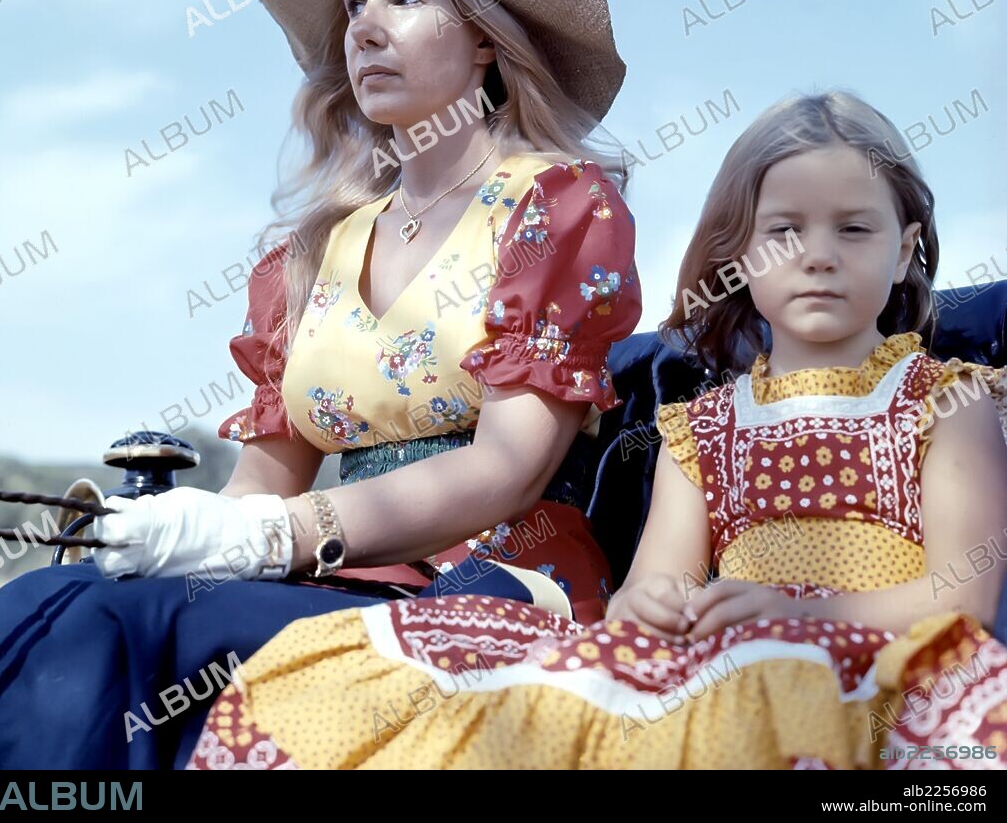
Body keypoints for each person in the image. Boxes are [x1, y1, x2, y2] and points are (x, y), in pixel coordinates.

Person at [0, 0, 642, 770]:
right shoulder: (310, 253)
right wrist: (188, 533)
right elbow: (263, 485)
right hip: (336, 571)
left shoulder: (557, 205)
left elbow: (504, 468)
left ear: (487, 37)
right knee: (45, 605)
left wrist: (276, 535)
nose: (364, 28)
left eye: (404, 0)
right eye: (352, 8)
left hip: (493, 582)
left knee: (118, 631)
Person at [187, 90, 1007, 771]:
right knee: (453, 684)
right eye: (784, 230)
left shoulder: (945, 401)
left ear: (904, 252)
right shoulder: (702, 426)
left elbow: (963, 594)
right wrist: (661, 608)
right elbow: (649, 593)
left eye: (854, 229)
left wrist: (795, 607)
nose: (818, 254)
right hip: (738, 658)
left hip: (893, 663)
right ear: (741, 254)